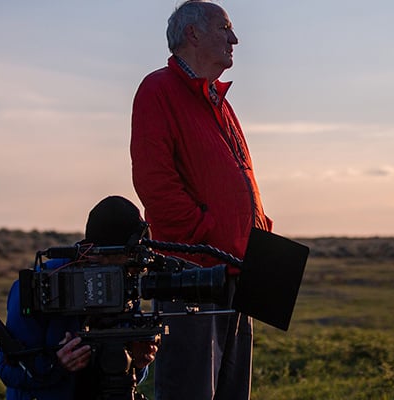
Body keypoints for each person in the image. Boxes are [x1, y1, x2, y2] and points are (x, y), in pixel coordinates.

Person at [130, 1, 273, 399]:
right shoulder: (157, 89)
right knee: (190, 391)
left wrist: (258, 239)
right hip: (193, 277)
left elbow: (240, 189)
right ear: (192, 34)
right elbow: (154, 183)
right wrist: (201, 241)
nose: (234, 38)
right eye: (224, 28)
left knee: (232, 392)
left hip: (239, 271)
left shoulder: (221, 103)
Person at [0, 195, 158, 400]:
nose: (131, 273)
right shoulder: (40, 286)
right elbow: (8, 370)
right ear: (95, 252)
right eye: (126, 264)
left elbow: (122, 370)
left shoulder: (124, 287)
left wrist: (138, 361)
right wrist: (56, 364)